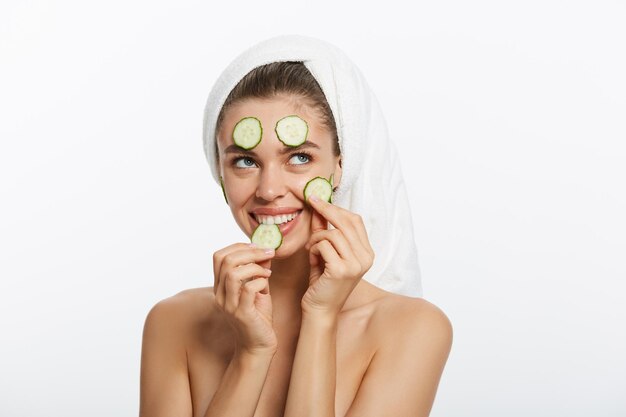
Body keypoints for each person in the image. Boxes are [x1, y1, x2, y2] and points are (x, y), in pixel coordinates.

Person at [139, 35, 452, 417]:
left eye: (300, 157)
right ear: (218, 169)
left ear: (341, 165)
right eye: (245, 162)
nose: (269, 190)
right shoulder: (173, 323)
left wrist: (319, 319)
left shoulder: (414, 329)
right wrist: (252, 354)